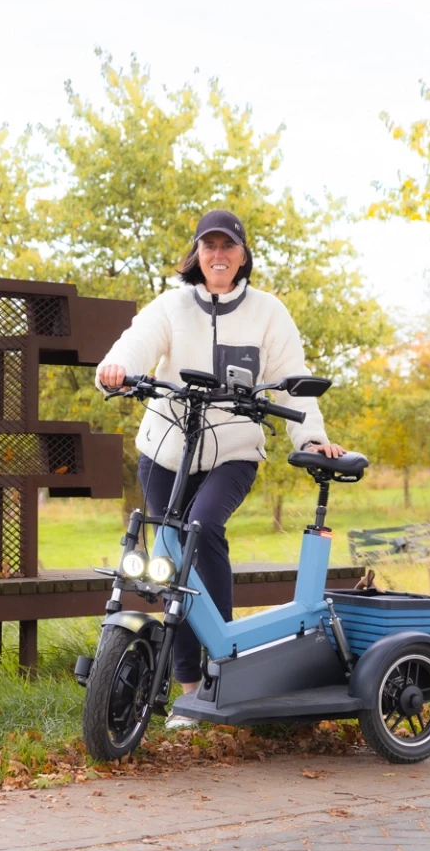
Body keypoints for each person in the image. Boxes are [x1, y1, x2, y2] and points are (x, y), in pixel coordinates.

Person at [96, 209, 347, 729]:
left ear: (242, 255)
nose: (218, 256)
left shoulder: (268, 313)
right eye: (208, 247)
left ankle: (222, 663)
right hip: (166, 448)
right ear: (196, 254)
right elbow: (136, 342)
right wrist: (116, 368)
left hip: (233, 450)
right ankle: (191, 689)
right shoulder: (171, 306)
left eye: (227, 247)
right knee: (167, 555)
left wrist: (313, 438)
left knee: (202, 528)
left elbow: (291, 379)